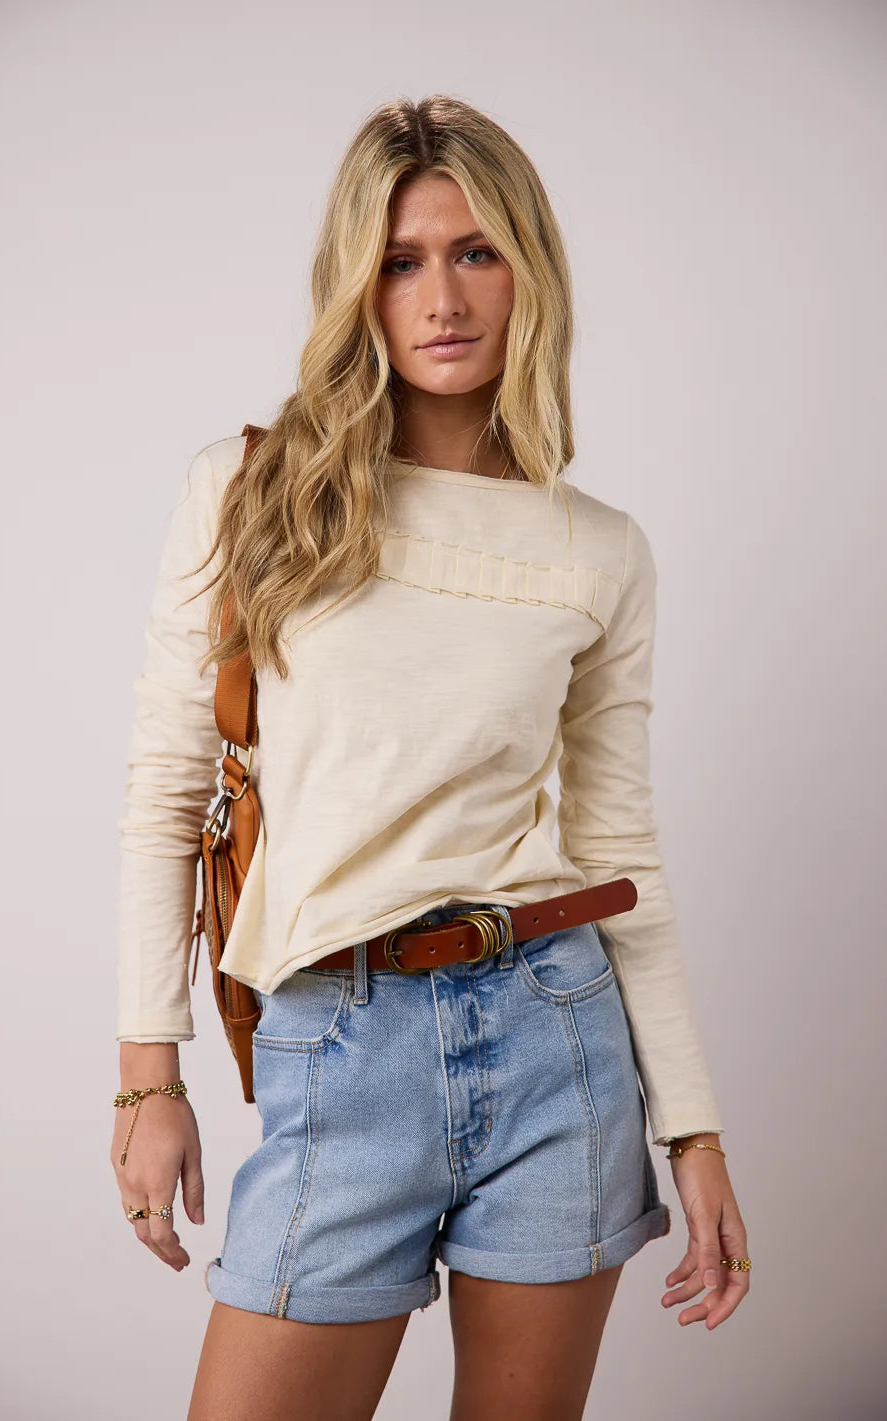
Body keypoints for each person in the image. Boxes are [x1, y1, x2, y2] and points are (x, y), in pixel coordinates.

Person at [110, 94, 750, 1421]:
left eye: (476, 253)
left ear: (530, 272)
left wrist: (693, 1127)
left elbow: (620, 851)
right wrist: (147, 1077)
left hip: (559, 1040)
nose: (443, 298)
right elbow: (167, 795)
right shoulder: (250, 492)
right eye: (401, 262)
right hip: (339, 1042)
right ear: (357, 285)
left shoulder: (599, 549)